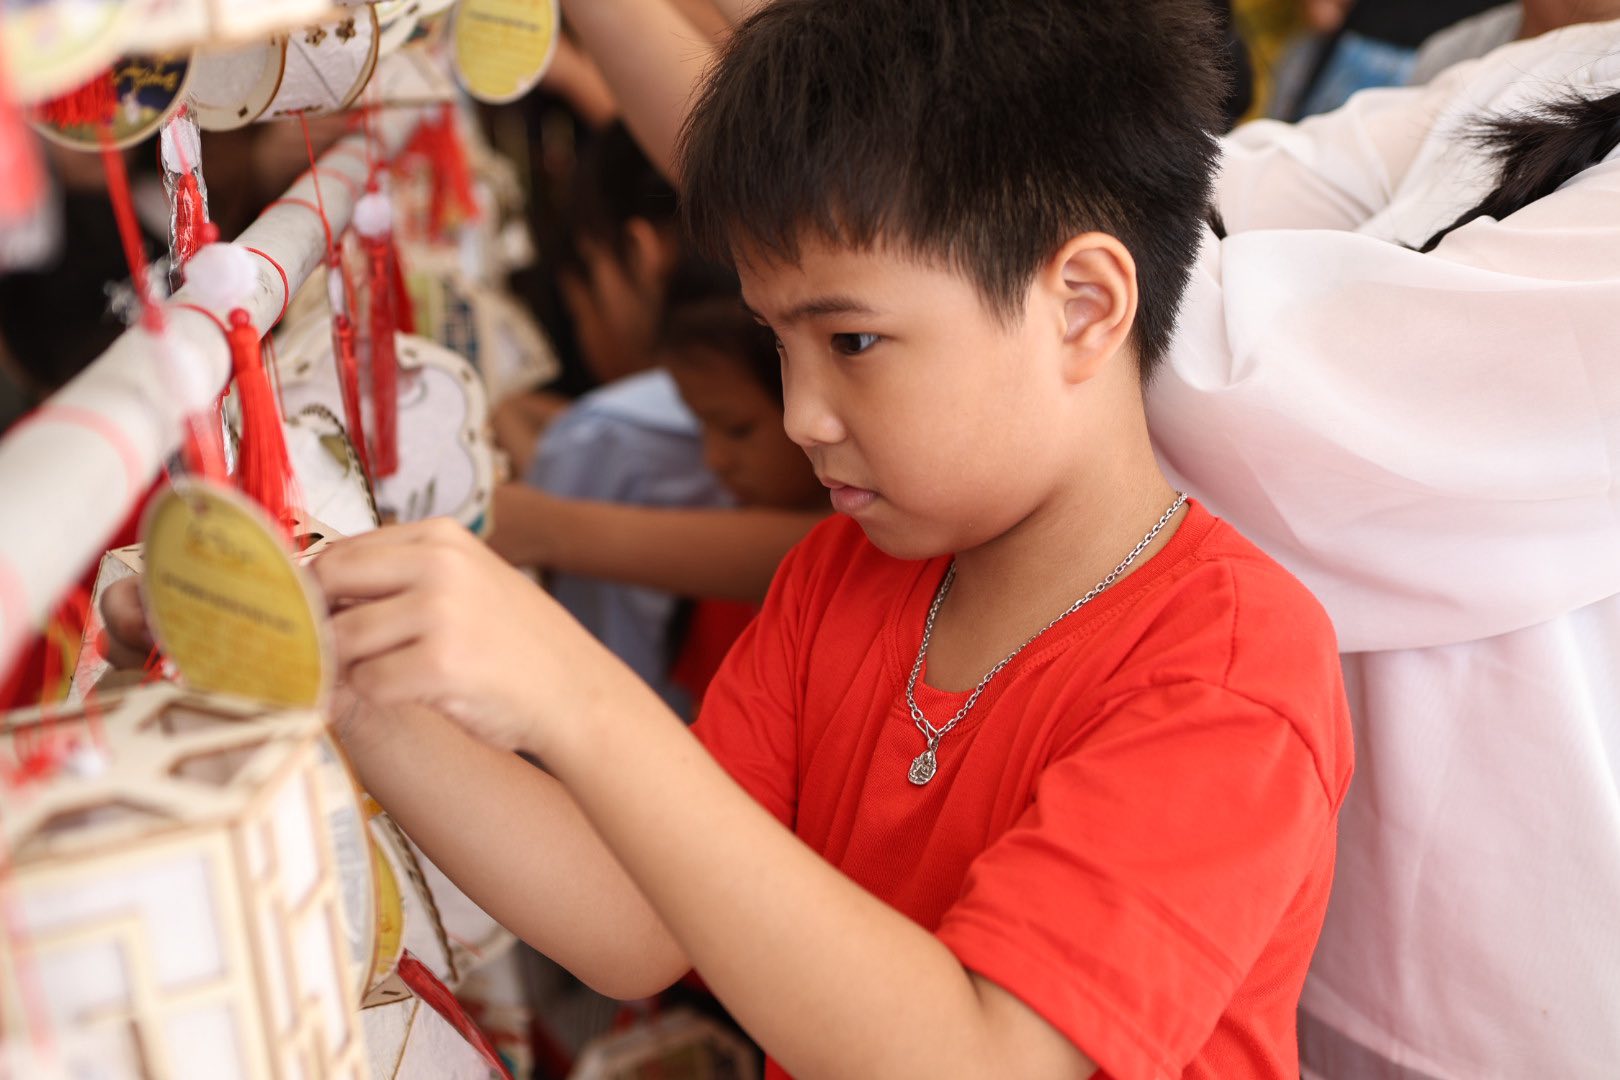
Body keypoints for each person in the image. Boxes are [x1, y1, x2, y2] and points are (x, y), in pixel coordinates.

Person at [310, 3, 1351, 1078]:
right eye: (778, 342)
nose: (801, 414)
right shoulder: (841, 574)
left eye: (852, 340)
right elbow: (636, 919)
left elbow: (985, 1060)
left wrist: (576, 698)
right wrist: (339, 673)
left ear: (1083, 307)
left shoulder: (1229, 669)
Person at [1151, 19, 1620, 1077]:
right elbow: (1214, 180)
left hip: (1509, 978)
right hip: (1332, 893)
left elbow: (1260, 403)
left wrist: (999, 172)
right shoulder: (1562, 67)